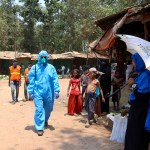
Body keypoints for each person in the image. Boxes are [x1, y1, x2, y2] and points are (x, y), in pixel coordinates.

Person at [27, 50, 60, 136]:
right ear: (39, 57)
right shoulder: (34, 68)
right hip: (38, 92)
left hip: (49, 92)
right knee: (39, 109)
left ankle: (45, 120)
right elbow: (31, 80)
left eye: (45, 57)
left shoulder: (51, 67)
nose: (43, 58)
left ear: (47, 57)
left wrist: (56, 90)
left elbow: (55, 79)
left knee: (49, 109)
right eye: (41, 57)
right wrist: (30, 91)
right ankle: (39, 127)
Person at [124, 53, 150, 150]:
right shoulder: (141, 74)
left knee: (136, 137)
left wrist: (133, 84)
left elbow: (143, 95)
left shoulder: (146, 75)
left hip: (140, 112)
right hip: (137, 110)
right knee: (132, 135)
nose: (133, 64)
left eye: (134, 61)